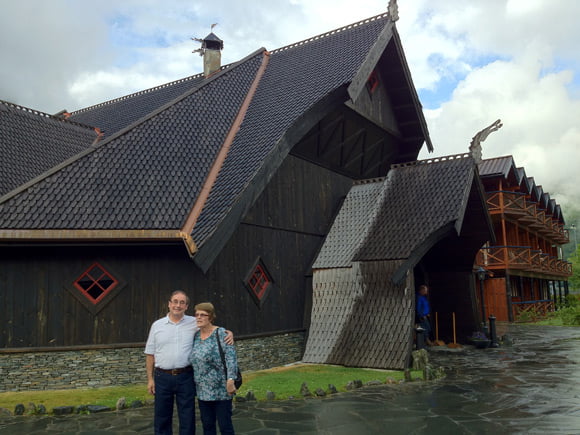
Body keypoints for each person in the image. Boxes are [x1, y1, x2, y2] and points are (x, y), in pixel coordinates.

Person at [145, 291, 233, 435]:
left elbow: (211, 327)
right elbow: (150, 354)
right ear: (169, 304)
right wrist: (150, 379)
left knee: (187, 417)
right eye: (175, 301)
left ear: (186, 306)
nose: (177, 305)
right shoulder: (157, 325)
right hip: (162, 377)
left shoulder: (194, 322)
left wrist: (228, 332)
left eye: (182, 302)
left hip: (185, 376)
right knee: (162, 417)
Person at [189, 302, 238, 435]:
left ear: (210, 317)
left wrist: (231, 380)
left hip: (221, 389)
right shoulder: (195, 336)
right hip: (202, 391)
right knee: (208, 426)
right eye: (196, 315)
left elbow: (231, 358)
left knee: (225, 426)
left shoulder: (222, 333)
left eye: (202, 315)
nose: (198, 317)